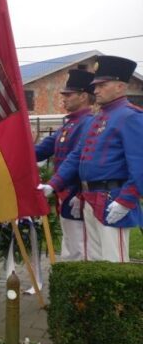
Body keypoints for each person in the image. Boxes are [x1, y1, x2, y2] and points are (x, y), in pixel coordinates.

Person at [41, 56, 143, 262]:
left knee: (114, 266)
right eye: (96, 85)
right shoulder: (99, 118)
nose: (95, 90)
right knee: (94, 262)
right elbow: (77, 156)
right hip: (91, 198)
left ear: (120, 86)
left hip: (113, 199)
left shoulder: (130, 116)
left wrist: (126, 200)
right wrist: (53, 184)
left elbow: (140, 165)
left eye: (102, 85)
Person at [34, 69, 95, 261]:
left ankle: (79, 290)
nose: (64, 99)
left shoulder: (88, 123)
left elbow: (80, 161)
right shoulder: (69, 124)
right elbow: (40, 151)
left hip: (77, 195)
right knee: (70, 246)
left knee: (79, 249)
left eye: (69, 95)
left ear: (84, 96)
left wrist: (70, 190)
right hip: (64, 194)